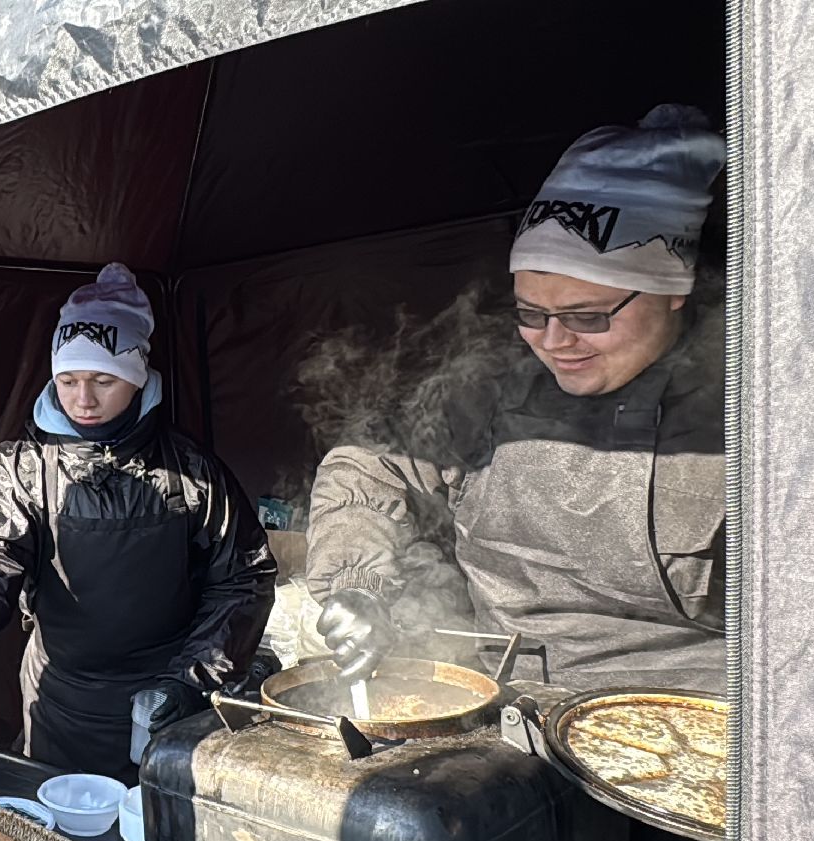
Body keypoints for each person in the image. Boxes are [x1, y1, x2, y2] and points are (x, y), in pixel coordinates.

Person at [307, 106, 727, 694]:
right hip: (499, 702)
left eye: (588, 316)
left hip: (699, 729)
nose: (555, 342)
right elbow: (369, 464)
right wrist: (355, 579)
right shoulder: (489, 386)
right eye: (531, 314)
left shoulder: (759, 401)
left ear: (674, 291)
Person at [0, 264, 276, 778]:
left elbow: (243, 579)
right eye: (67, 380)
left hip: (166, 701)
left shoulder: (192, 472)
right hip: (60, 701)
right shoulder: (22, 467)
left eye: (103, 380)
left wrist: (189, 682)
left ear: (137, 378)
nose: (83, 399)